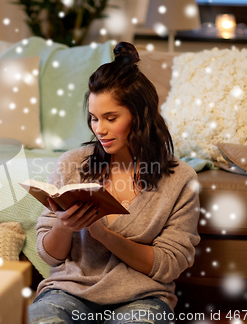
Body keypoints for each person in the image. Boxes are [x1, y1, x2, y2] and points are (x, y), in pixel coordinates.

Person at [28, 42, 201, 324]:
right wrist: (63, 224)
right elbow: (50, 256)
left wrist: (103, 234)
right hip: (67, 294)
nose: (99, 129)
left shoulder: (180, 180)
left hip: (142, 299)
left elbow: (169, 265)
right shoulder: (72, 164)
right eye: (94, 118)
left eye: (111, 118)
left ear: (141, 116)